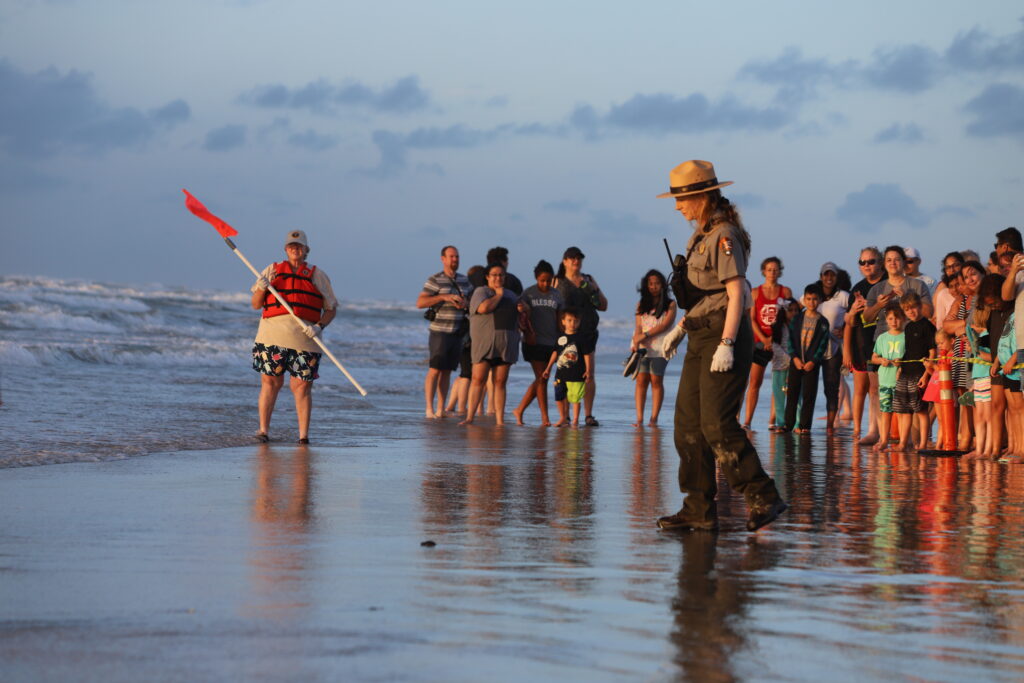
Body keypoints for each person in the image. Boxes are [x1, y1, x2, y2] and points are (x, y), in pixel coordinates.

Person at [653, 159, 786, 533]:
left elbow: (737, 290)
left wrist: (727, 343)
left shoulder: (724, 234)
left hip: (722, 335)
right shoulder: (700, 235)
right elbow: (704, 295)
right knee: (687, 426)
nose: (678, 207)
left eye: (682, 200)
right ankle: (697, 507)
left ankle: (764, 496)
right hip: (700, 331)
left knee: (716, 423)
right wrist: (680, 328)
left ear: (702, 197)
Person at [251, 229, 338, 444]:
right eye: (291, 246)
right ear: (285, 249)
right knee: (270, 383)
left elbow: (331, 309)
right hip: (271, 337)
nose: (295, 249)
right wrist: (262, 288)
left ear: (306, 250)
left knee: (301, 387)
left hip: (306, 339)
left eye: (299, 247)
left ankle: (303, 436)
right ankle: (263, 430)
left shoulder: (318, 275)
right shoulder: (271, 270)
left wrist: (319, 326)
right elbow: (255, 304)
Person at [553, 247, 608, 426]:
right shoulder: (558, 281)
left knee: (588, 374)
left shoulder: (588, 279)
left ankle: (588, 415)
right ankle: (566, 416)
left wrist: (592, 289)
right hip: (566, 335)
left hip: (587, 332)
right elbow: (552, 308)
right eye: (572, 258)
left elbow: (603, 305)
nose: (576, 261)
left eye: (578, 258)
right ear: (565, 261)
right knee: (566, 372)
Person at [461, 264, 520, 425]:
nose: (498, 278)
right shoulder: (481, 292)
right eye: (494, 275)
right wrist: (498, 295)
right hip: (484, 345)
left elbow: (520, 313)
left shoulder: (512, 295)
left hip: (505, 345)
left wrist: (524, 308)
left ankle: (500, 420)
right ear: (487, 276)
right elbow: (483, 308)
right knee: (478, 379)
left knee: (500, 382)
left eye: (501, 275)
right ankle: (470, 417)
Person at [417, 246, 471, 419]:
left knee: (447, 370)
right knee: (434, 369)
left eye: (457, 256)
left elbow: (472, 302)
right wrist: (444, 297)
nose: (455, 259)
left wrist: (465, 303)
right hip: (439, 331)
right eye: (451, 256)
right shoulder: (435, 279)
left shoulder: (465, 280)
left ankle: (441, 409)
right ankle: (428, 409)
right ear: (443, 259)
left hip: (458, 332)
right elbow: (420, 302)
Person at [513, 260, 564, 425]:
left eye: (549, 280)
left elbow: (560, 319)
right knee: (541, 378)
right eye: (542, 280)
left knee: (542, 379)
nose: (545, 283)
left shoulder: (557, 295)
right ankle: (545, 418)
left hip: (552, 342)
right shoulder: (528, 293)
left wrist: (563, 339)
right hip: (533, 341)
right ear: (536, 278)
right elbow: (521, 319)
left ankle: (519, 410)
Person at [743, 257, 791, 430]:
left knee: (778, 384)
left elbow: (788, 317)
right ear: (763, 271)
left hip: (779, 343)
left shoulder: (785, 292)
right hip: (759, 343)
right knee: (755, 382)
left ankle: (773, 420)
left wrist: (775, 340)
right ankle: (747, 421)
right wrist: (764, 339)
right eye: (769, 269)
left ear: (780, 271)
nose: (772, 272)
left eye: (775, 269)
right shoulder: (755, 292)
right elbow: (752, 318)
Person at [942, 260, 985, 450]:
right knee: (963, 394)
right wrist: (965, 326)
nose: (964, 284)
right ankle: (966, 437)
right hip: (960, 351)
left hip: (976, 352)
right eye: (963, 280)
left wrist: (962, 327)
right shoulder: (961, 301)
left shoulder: (981, 299)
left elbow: (974, 325)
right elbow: (946, 325)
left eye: (966, 279)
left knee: (976, 395)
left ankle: (976, 439)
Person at [844, 247, 885, 443]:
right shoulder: (857, 289)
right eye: (863, 262)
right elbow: (850, 322)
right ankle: (866, 430)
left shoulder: (888, 284)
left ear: (881, 262)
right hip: (862, 342)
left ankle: (889, 432)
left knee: (884, 388)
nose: (867, 265)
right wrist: (852, 312)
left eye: (871, 261)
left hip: (886, 341)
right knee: (868, 389)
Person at [630, 269, 678, 427]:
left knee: (656, 380)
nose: (654, 286)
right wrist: (636, 341)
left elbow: (666, 325)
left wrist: (645, 335)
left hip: (661, 346)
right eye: (651, 283)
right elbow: (638, 326)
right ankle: (639, 418)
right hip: (643, 347)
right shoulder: (640, 304)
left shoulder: (670, 304)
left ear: (663, 285)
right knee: (641, 380)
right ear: (646, 285)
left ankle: (654, 418)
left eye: (657, 283)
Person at [783, 284, 830, 434]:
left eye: (815, 299)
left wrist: (813, 361)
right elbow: (789, 341)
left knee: (809, 395)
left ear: (820, 300)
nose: (812, 302)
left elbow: (822, 345)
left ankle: (804, 426)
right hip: (796, 362)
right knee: (792, 394)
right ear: (804, 300)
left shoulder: (823, 322)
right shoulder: (797, 319)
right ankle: (788, 425)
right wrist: (795, 358)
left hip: (812, 364)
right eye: (808, 299)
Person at [896, 292, 935, 451]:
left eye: (913, 308)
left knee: (921, 411)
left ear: (920, 306)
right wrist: (900, 366)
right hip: (906, 372)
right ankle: (903, 443)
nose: (911, 312)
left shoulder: (928, 326)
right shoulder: (908, 327)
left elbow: (933, 352)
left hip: (920, 373)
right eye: (907, 309)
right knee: (904, 411)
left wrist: (927, 375)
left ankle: (924, 443)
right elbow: (908, 350)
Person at [815, 262, 851, 432]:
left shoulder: (843, 296)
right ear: (821, 276)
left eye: (832, 275)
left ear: (836, 277)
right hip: (815, 348)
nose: (829, 278)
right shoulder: (815, 295)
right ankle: (802, 423)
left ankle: (832, 421)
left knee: (833, 384)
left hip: (835, 347)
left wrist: (844, 329)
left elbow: (855, 315)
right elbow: (798, 311)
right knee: (810, 386)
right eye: (825, 274)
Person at [543, 308, 591, 427]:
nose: (572, 324)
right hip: (560, 373)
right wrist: (548, 368)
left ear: (579, 322)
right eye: (569, 320)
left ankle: (575, 419)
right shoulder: (560, 338)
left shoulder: (581, 338)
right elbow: (555, 353)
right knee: (559, 396)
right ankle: (563, 417)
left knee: (575, 398)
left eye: (576, 321)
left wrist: (588, 370)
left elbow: (586, 354)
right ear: (563, 321)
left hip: (577, 374)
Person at [871, 304, 907, 452]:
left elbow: (910, 357)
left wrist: (902, 363)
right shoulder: (882, 338)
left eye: (897, 318)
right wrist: (881, 361)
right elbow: (874, 357)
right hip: (885, 380)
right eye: (891, 318)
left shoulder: (906, 336)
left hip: (900, 381)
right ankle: (884, 439)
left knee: (902, 412)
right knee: (886, 412)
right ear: (886, 320)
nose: (894, 321)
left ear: (903, 319)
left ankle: (904, 441)